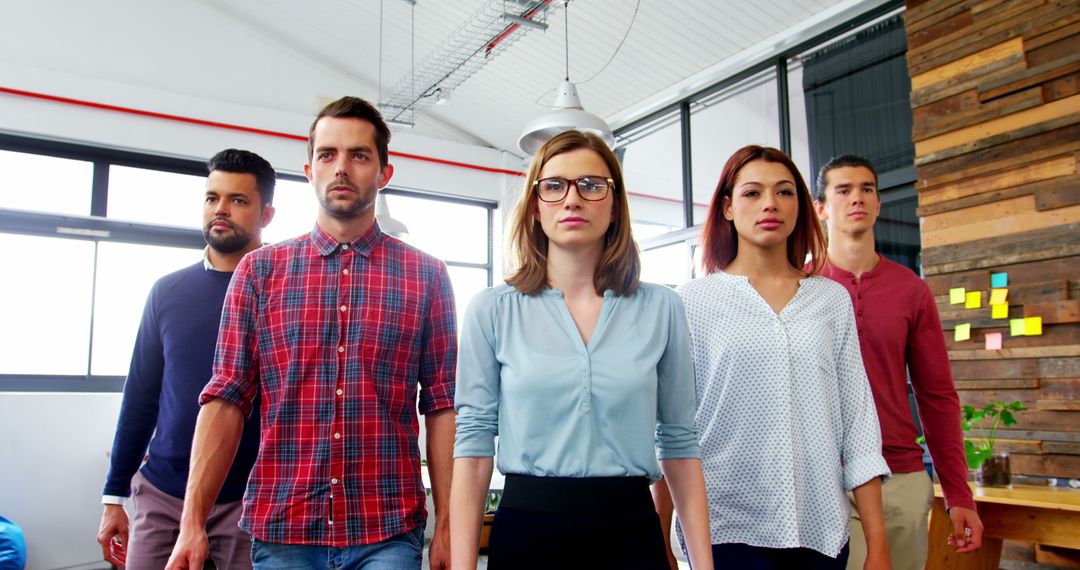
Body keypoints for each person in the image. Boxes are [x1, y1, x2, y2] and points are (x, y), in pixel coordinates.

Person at [165, 97, 458, 570]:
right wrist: (192, 522)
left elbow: (443, 404)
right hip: (284, 529)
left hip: (387, 530)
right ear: (309, 169)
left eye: (359, 155)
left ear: (384, 172)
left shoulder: (426, 276)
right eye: (328, 155)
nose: (341, 168)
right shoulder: (259, 272)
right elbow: (225, 397)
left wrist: (448, 522)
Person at [450, 130, 713, 570]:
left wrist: (704, 567)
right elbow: (474, 450)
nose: (572, 199)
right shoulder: (492, 310)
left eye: (592, 185)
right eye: (554, 186)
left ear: (614, 206)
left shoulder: (661, 307)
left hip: (630, 532)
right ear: (536, 207)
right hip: (527, 533)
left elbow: (680, 444)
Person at [656, 145, 892, 570]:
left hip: (820, 529)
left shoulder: (830, 300)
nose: (770, 204)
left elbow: (858, 423)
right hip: (722, 530)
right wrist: (662, 538)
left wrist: (878, 544)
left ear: (801, 206)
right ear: (727, 208)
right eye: (752, 193)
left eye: (784, 192)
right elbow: (672, 429)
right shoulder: (690, 302)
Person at [97, 148, 276, 569]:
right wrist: (113, 495)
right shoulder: (167, 292)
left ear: (266, 214)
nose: (221, 209)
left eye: (238, 200)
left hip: (250, 501)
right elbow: (140, 398)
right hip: (163, 494)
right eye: (212, 198)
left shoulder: (285, 293)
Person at [814, 155, 982, 570]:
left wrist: (958, 493)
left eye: (867, 189)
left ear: (878, 203)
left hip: (900, 476)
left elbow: (937, 396)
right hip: (822, 479)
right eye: (844, 190)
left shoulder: (912, 291)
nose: (857, 198)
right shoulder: (801, 288)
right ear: (820, 208)